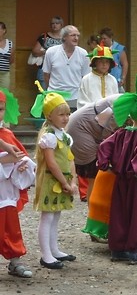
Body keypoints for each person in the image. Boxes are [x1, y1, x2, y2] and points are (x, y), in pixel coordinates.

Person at [77, 90, 137, 241]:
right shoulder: (132, 119)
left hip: (131, 162)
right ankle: (104, 231)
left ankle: (124, 230)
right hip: (122, 164)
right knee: (107, 197)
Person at [97, 77, 137, 264]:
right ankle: (133, 251)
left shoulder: (121, 133)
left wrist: (107, 164)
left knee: (119, 211)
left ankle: (118, 249)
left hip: (120, 178)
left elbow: (104, 147)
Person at [32, 90, 78, 269]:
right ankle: (46, 255)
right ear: (49, 115)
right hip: (52, 181)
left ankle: (54, 249)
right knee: (48, 216)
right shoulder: (49, 136)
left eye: (68, 114)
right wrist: (64, 182)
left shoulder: (64, 136)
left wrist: (72, 181)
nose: (66, 118)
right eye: (61, 114)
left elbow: (70, 158)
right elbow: (51, 163)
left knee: (56, 215)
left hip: (64, 181)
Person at [0, 89, 36, 278]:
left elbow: (21, 158)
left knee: (11, 228)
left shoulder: (7, 134)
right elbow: (7, 159)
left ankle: (15, 261)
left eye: (1, 109)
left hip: (5, 194)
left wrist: (20, 168)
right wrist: (5, 161)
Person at [42, 25, 90, 110]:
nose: (76, 38)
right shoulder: (51, 52)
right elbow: (46, 75)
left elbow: (86, 78)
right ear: (64, 37)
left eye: (78, 35)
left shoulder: (83, 54)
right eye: (72, 35)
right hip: (55, 96)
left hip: (76, 97)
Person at [77, 45, 119, 109]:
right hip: (91, 115)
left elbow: (116, 100)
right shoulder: (86, 79)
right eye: (101, 61)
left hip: (110, 115)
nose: (104, 64)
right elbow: (82, 101)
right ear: (95, 62)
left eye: (107, 61)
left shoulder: (113, 80)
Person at [31, 16, 64, 87]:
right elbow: (35, 51)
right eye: (52, 23)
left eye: (57, 23)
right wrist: (47, 52)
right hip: (44, 68)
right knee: (44, 93)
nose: (54, 25)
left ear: (61, 25)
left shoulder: (65, 38)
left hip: (61, 70)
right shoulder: (44, 36)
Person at [99, 27, 128, 93]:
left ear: (110, 37)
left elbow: (125, 64)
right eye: (102, 38)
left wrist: (123, 78)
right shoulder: (101, 49)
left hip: (116, 80)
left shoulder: (119, 48)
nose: (103, 40)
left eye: (105, 38)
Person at [0, 22, 14, 89]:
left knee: (5, 94)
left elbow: (11, 60)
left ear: (4, 30)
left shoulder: (9, 43)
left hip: (5, 74)